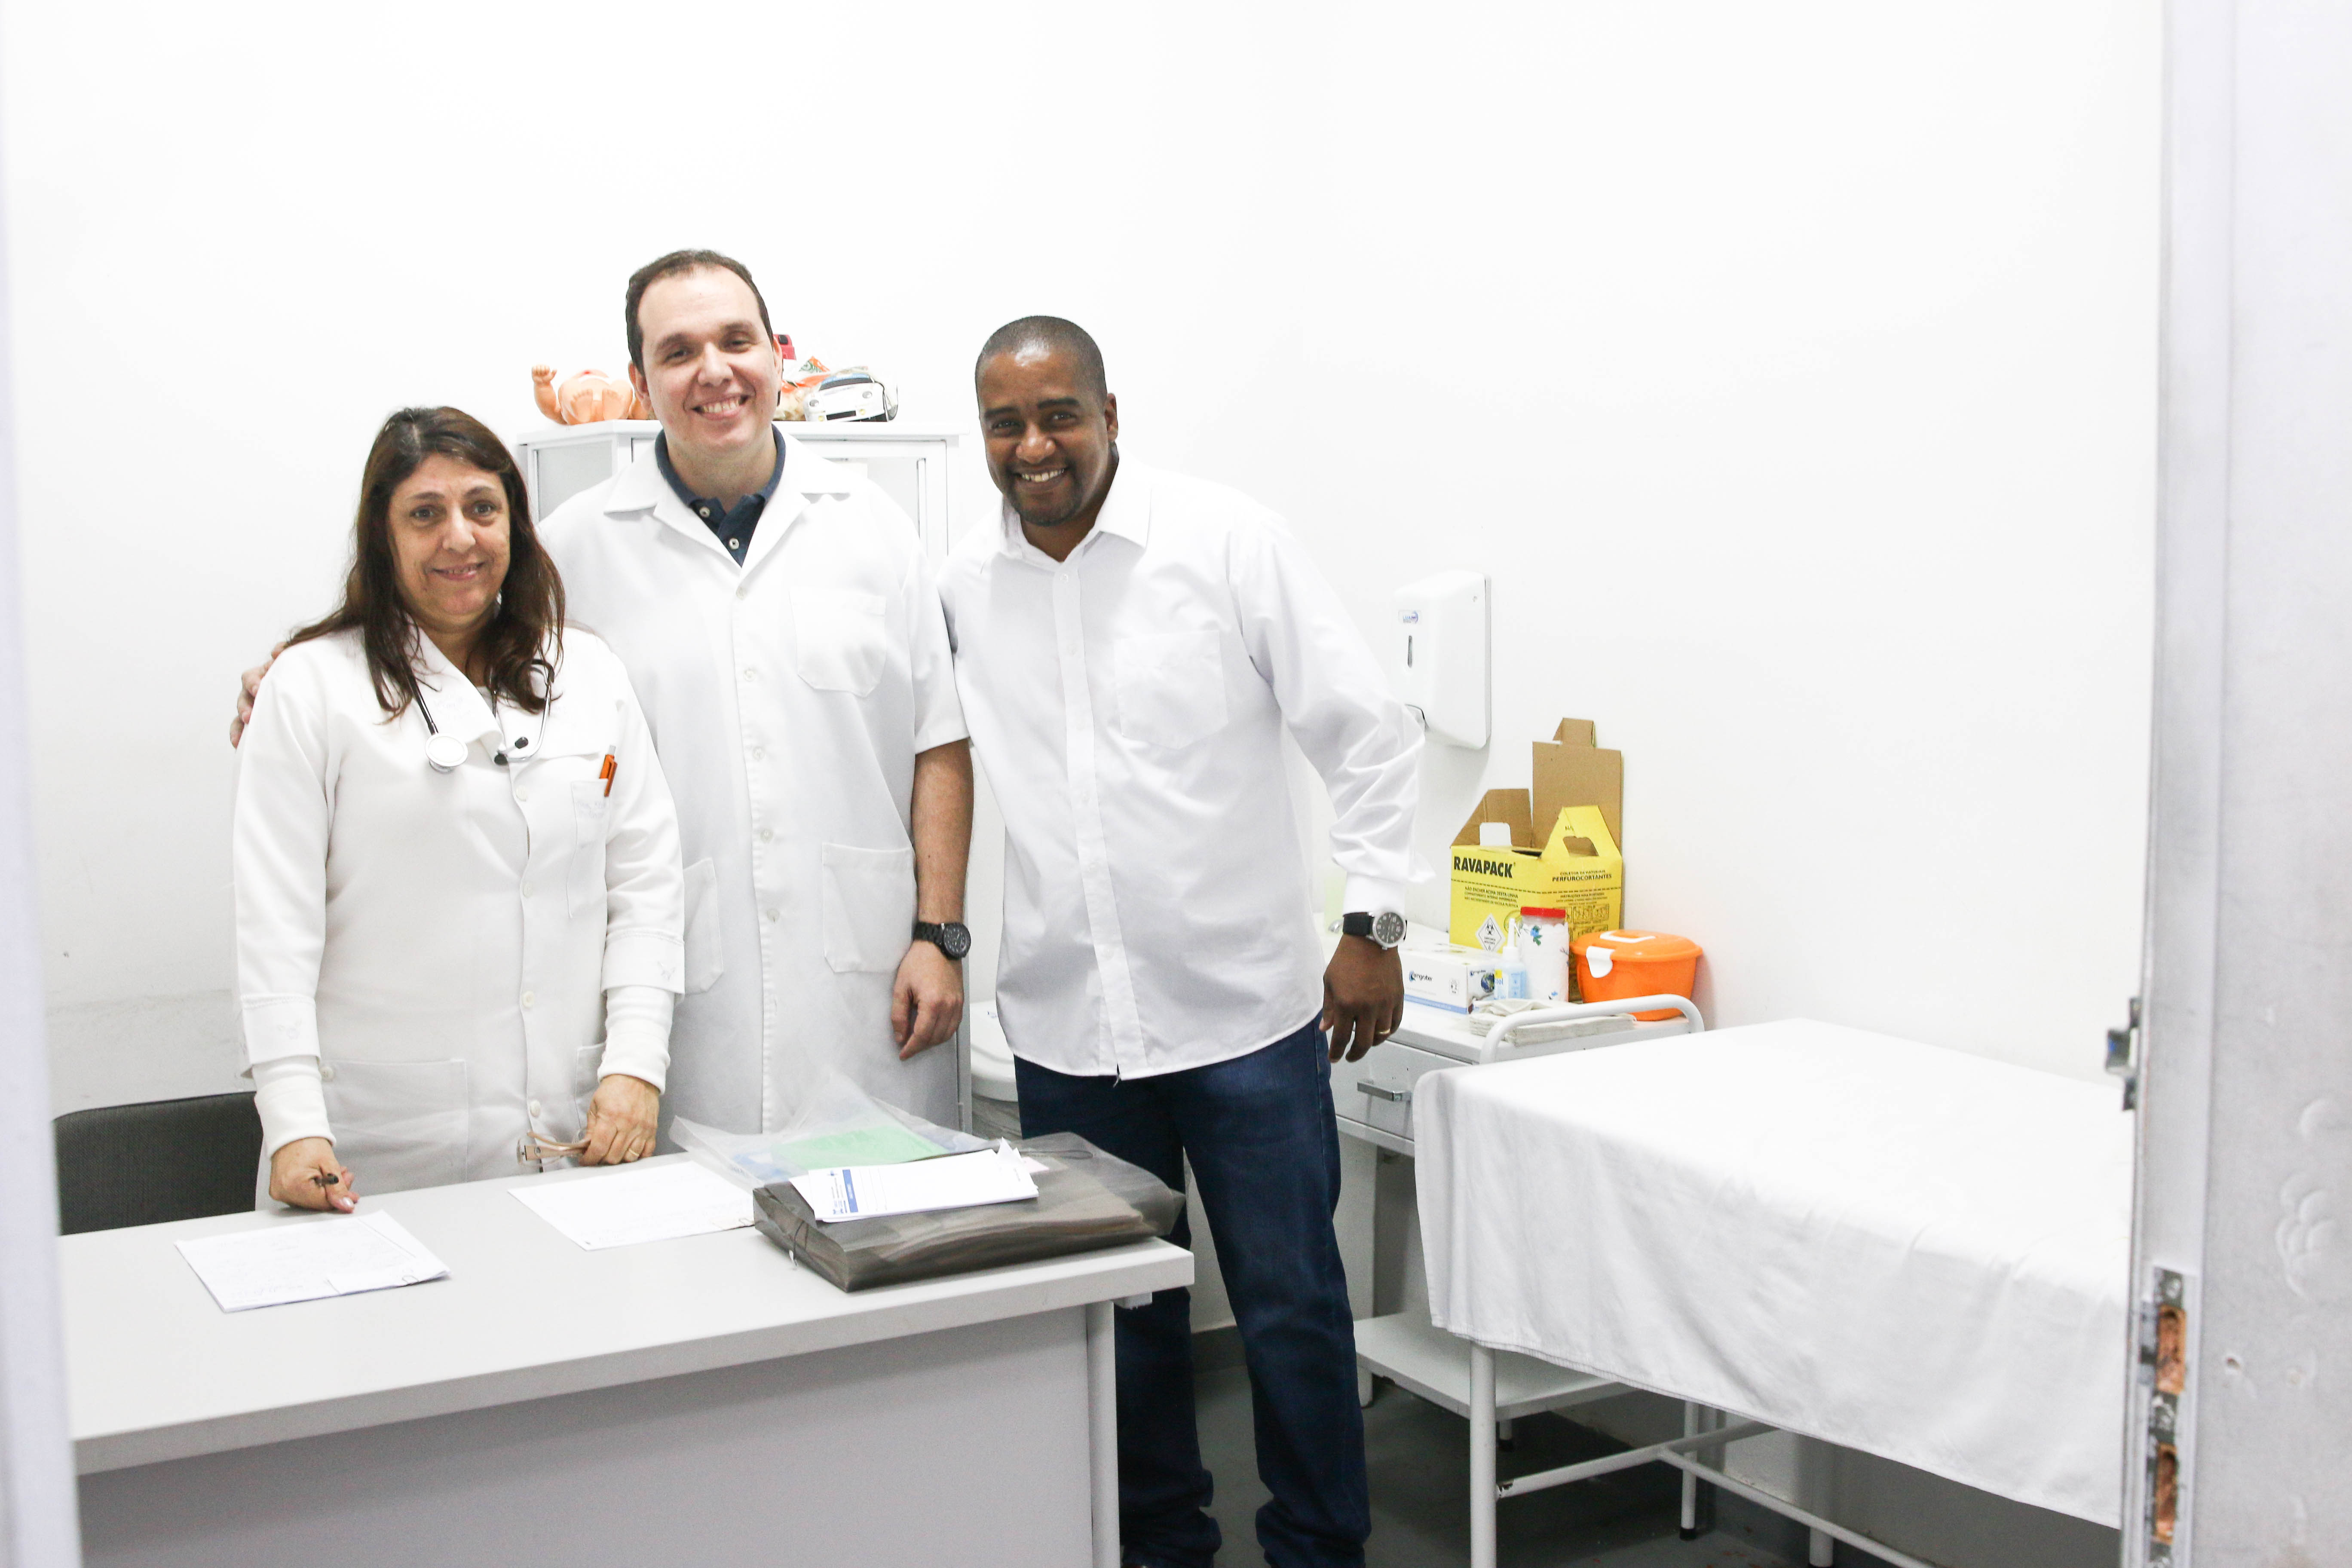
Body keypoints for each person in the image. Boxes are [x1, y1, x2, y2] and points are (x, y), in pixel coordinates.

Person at [239, 250, 972, 1140]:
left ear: (778, 355)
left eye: (736, 341)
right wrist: (294, 671)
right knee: (692, 1216)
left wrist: (939, 933)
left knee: (894, 1203)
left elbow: (938, 741)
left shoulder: (875, 528)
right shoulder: (572, 549)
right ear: (640, 379)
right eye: (678, 352)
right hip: (678, 999)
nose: (714, 371)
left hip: (875, 984)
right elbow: (444, 624)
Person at [938, 318, 1421, 1568]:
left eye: (1059, 415)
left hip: (1245, 1015)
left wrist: (1371, 925)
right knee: (1123, 1322)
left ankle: (1320, 1550)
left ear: (1109, 414)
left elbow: (1367, 733)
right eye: (1005, 423)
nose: (1034, 446)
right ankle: (1160, 1550)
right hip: (1070, 1029)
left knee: (1291, 1311)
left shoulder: (1226, 542)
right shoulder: (964, 585)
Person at [235, 407, 683, 1209]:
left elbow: (646, 884)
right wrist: (294, 1123)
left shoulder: (587, 671)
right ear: (383, 537)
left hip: (573, 1130)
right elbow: (275, 928)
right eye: (424, 514)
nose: (460, 537)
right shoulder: (310, 687)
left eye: (482, 507)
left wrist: (636, 1065)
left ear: (515, 523)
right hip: (378, 1142)